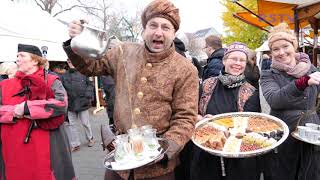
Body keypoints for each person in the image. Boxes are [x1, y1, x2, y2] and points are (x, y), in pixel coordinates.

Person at [63, 0, 199, 179]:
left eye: (166, 27)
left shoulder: (185, 69)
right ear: (144, 30)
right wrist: (78, 41)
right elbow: (91, 67)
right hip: (120, 160)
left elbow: (186, 117)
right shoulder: (123, 51)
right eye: (153, 25)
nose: (158, 32)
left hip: (158, 169)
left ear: (174, 34)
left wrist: (164, 150)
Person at [0, 44, 75, 179]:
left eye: (22, 56)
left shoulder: (51, 80)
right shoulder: (5, 85)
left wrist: (27, 108)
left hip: (46, 146)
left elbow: (61, 104)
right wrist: (13, 112)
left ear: (35, 60)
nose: (17, 59)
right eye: (17, 56)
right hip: (14, 149)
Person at [191, 42, 261, 180]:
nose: (237, 63)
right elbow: (191, 112)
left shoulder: (251, 92)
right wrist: (200, 119)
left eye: (242, 60)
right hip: (207, 150)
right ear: (224, 60)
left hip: (237, 157)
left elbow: (252, 126)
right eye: (233, 58)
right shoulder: (206, 85)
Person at [260, 23, 320, 180]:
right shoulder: (268, 75)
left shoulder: (312, 69)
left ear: (294, 46)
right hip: (283, 131)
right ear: (271, 52)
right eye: (275, 49)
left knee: (310, 172)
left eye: (285, 46)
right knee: (283, 173)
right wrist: (301, 83)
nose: (281, 52)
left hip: (311, 130)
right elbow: (275, 100)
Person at [62, 59, 95, 152]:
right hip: (71, 104)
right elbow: (62, 89)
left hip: (82, 102)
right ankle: (75, 144)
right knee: (72, 125)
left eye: (71, 60)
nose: (70, 62)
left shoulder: (84, 72)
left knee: (85, 123)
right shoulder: (64, 76)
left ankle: (90, 138)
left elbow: (90, 84)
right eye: (68, 61)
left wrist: (88, 96)